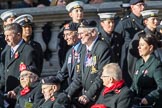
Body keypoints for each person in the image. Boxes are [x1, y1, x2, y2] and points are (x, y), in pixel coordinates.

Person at [65, 21, 113, 107]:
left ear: (93, 33)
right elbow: (79, 76)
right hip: (85, 96)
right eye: (78, 34)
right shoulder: (83, 49)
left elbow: (101, 76)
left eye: (82, 33)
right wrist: (67, 94)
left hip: (99, 97)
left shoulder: (102, 48)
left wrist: (88, 95)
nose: (79, 37)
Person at [0, 23, 37, 107]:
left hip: (20, 96)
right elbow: (4, 73)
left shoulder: (28, 51)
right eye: (5, 36)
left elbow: (31, 77)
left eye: (8, 36)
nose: (6, 39)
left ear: (18, 35)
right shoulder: (7, 50)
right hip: (7, 95)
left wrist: (16, 91)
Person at [114, 0, 145, 86]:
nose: (143, 8)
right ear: (132, 7)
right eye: (140, 5)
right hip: (130, 61)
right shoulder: (125, 23)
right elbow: (117, 44)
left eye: (143, 5)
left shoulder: (146, 21)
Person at [130, 32, 162, 108]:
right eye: (139, 45)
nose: (138, 47)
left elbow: (161, 87)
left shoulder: (156, 64)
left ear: (150, 47)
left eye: (142, 45)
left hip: (151, 104)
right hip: (137, 103)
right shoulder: (138, 62)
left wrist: (149, 98)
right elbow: (134, 85)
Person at [128, 9, 162, 78]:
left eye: (157, 19)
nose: (156, 21)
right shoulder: (140, 36)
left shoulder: (159, 35)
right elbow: (133, 59)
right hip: (146, 74)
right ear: (146, 21)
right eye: (153, 19)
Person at [58, 1, 85, 67]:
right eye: (76, 11)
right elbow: (62, 49)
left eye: (81, 11)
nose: (79, 13)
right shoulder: (66, 28)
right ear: (70, 14)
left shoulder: (88, 26)